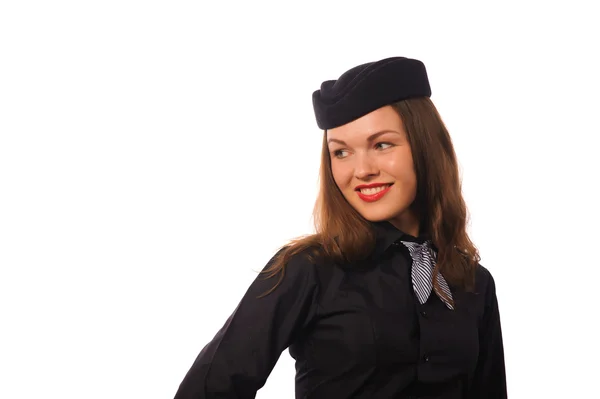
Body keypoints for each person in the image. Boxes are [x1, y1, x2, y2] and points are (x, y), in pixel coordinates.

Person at [173, 56, 507, 398]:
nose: (361, 170)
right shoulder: (308, 269)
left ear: (427, 148)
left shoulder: (474, 283)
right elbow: (208, 389)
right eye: (341, 152)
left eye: (381, 145)